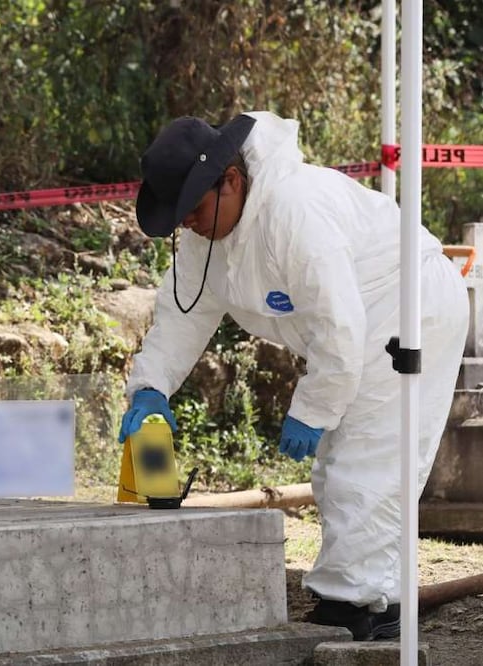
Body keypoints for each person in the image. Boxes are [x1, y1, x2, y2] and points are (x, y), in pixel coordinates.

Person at [119, 111, 468, 641]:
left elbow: (338, 324)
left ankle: (364, 609)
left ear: (230, 181)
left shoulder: (294, 211)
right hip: (356, 324)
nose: (186, 223)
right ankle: (361, 598)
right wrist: (150, 387)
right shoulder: (206, 236)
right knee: (338, 470)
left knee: (368, 463)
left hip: (409, 305)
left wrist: (313, 407)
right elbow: (182, 315)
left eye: (190, 209)